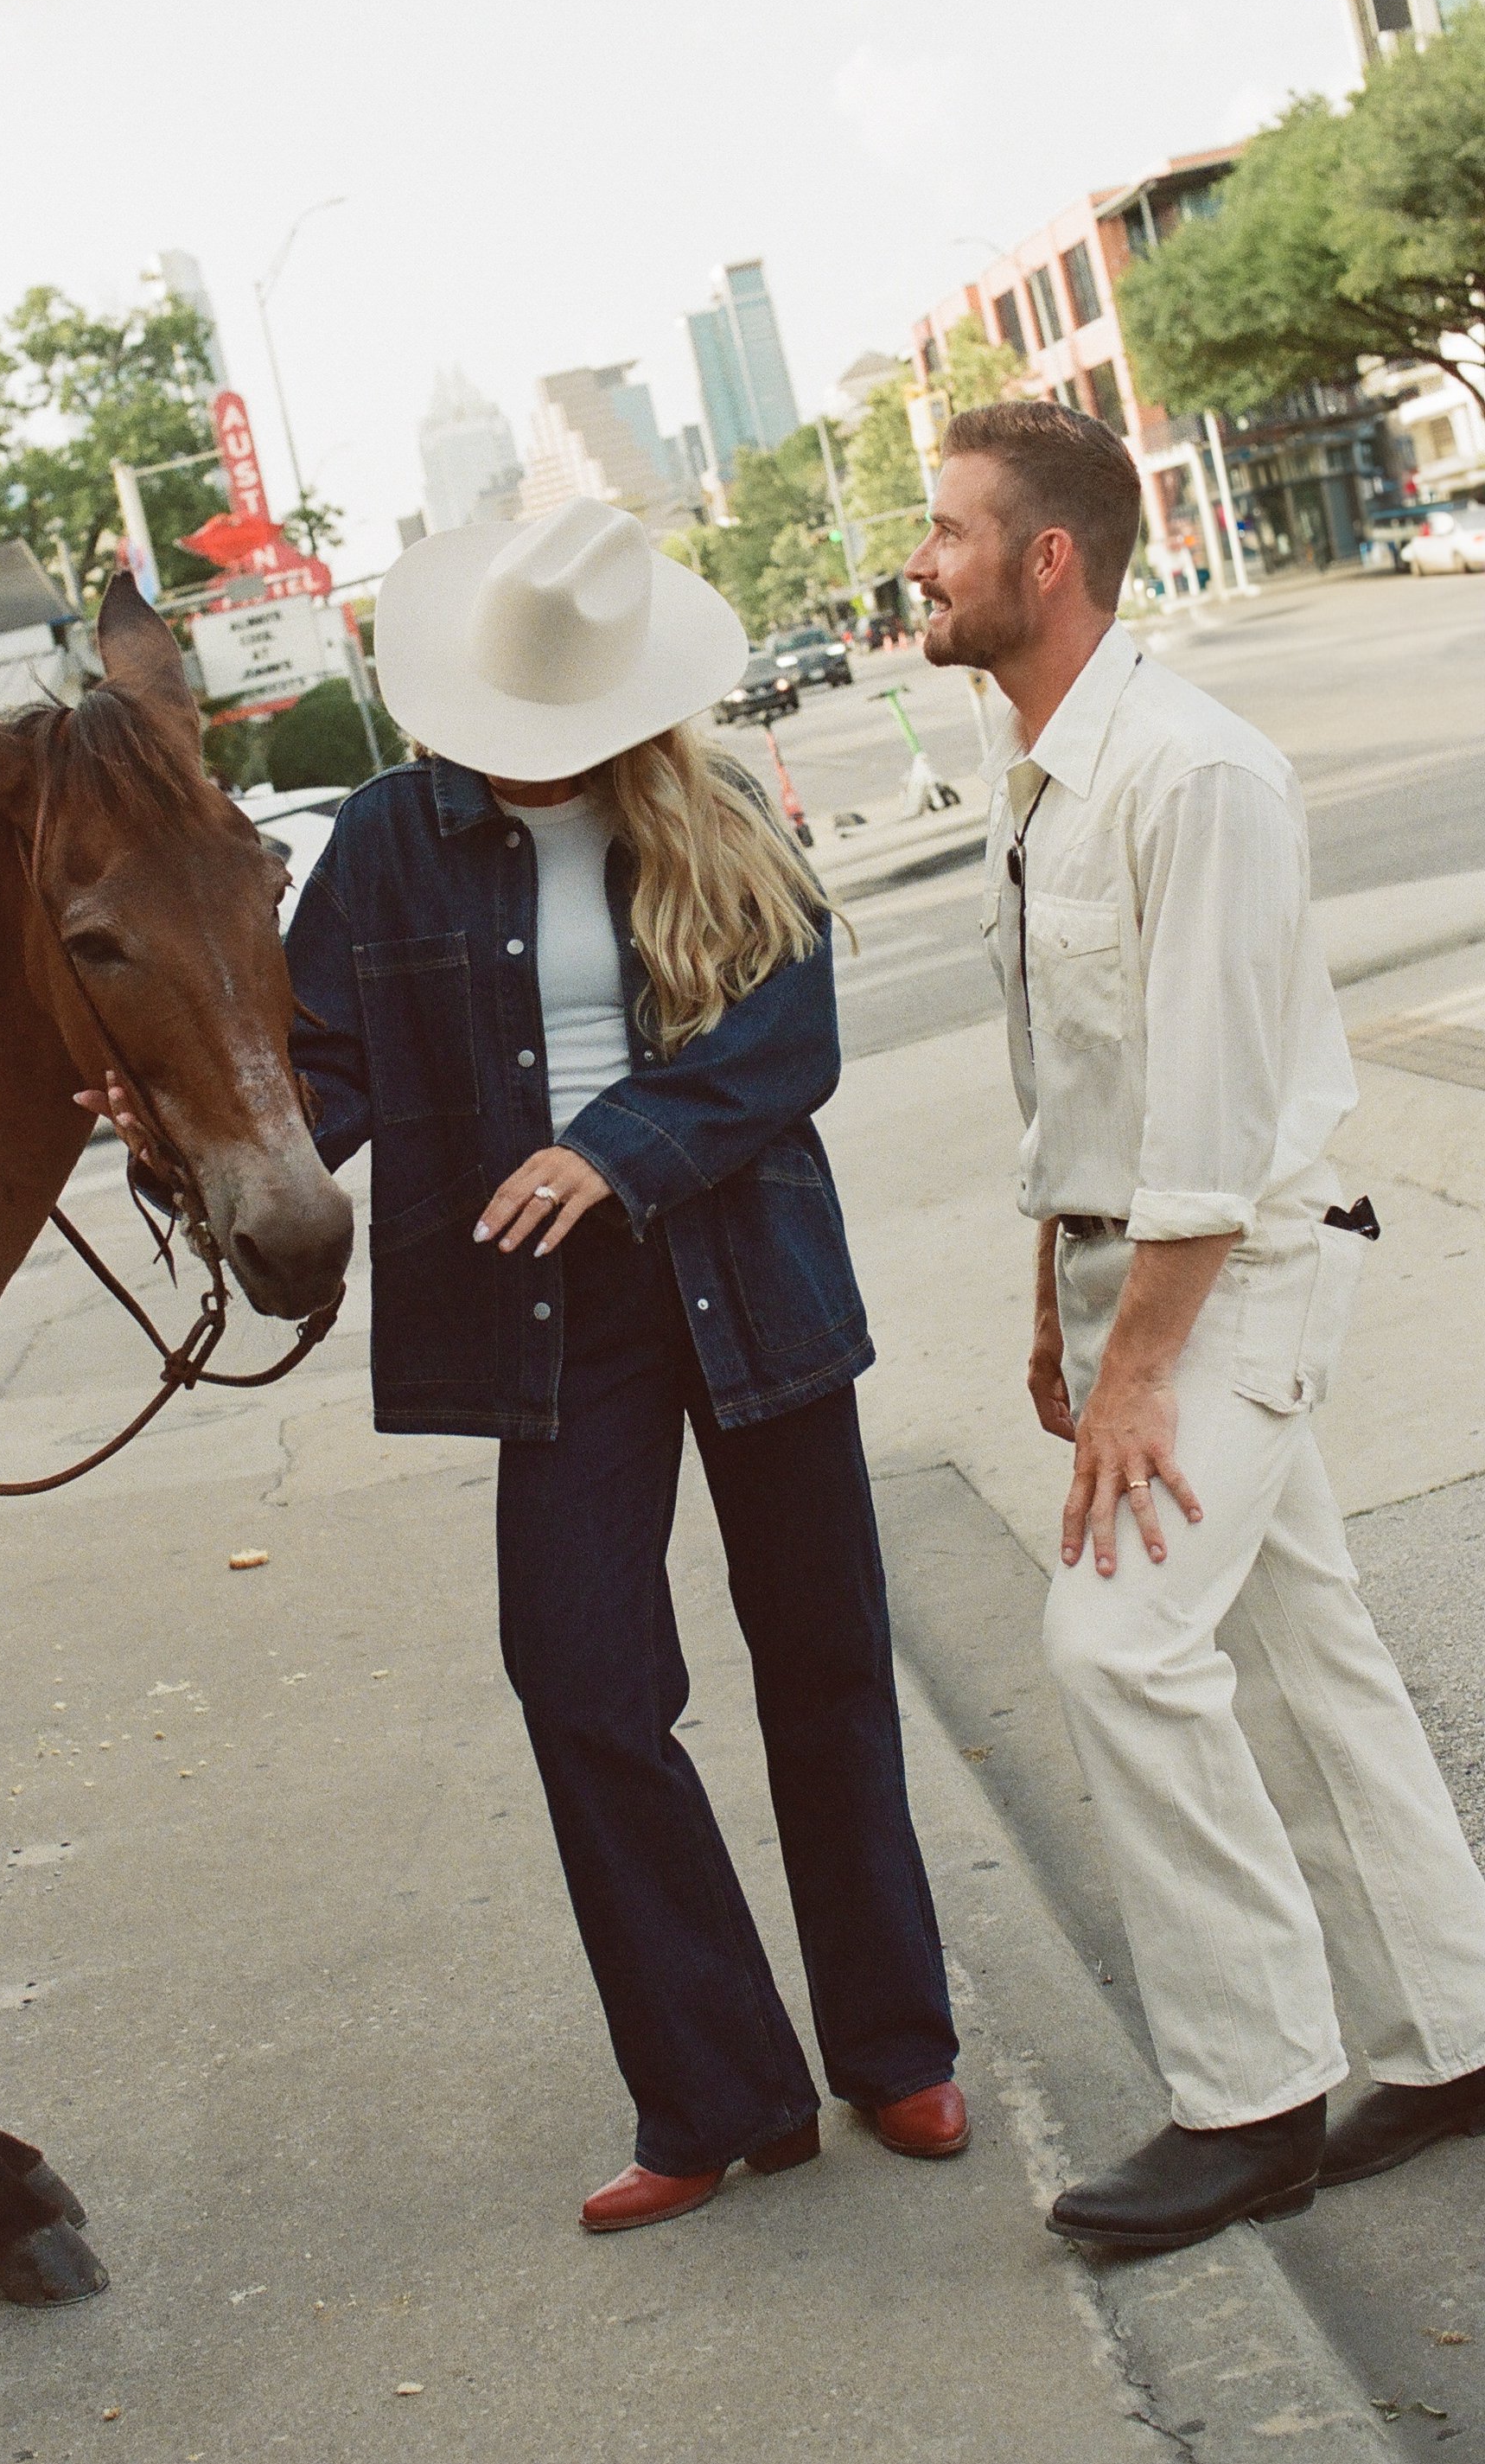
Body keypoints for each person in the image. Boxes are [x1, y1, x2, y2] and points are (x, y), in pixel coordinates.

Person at [285, 495, 963, 2233]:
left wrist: (612, 1149)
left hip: (749, 1278)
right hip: (547, 1317)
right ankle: (721, 2093)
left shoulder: (711, 801)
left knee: (824, 1662)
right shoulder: (386, 839)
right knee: (582, 1683)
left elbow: (788, 1040)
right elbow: (316, 1071)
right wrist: (177, 1129)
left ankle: (893, 2045)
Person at [904, 401, 1485, 2253]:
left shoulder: (1195, 773)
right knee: (1301, 1646)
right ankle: (1457, 2032)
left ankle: (1250, 2100)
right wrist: (1055, 1301)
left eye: (946, 530)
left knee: (1118, 1645)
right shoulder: (1037, 769)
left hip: (1234, 1281)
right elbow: (1081, 1074)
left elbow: (1220, 1121)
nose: (918, 562)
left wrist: (1138, 1368)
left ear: (1047, 558)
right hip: (1127, 1276)